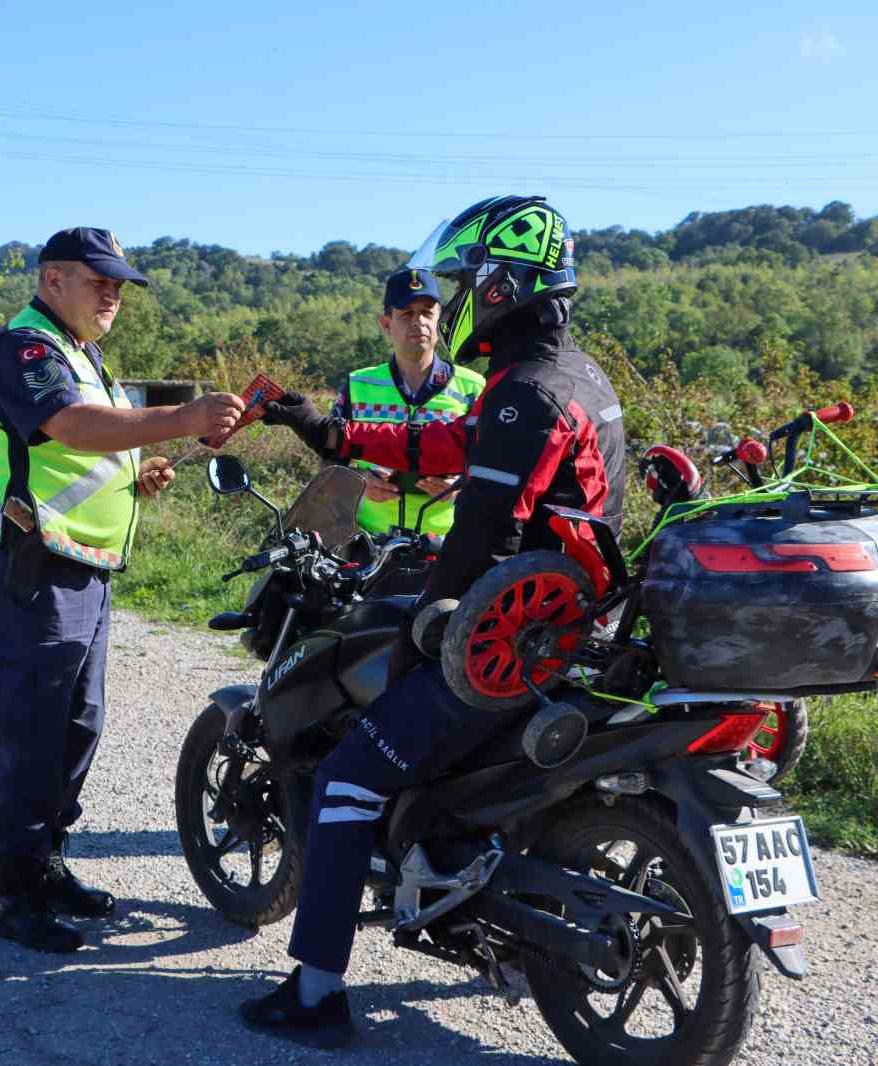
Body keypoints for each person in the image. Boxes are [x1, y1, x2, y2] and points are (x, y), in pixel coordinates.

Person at [242, 196, 626, 1046]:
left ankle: (313, 994)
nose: (452, 302)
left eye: (460, 283)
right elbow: (439, 447)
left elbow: (480, 535)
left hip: (510, 642)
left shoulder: (524, 392)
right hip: (573, 632)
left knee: (347, 775)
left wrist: (428, 622)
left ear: (499, 284)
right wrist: (319, 425)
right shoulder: (574, 377)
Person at [0, 227, 244, 953]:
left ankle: (49, 866)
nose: (113, 295)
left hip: (81, 568)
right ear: (53, 279)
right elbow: (67, 424)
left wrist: (134, 475)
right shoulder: (23, 348)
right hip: (30, 569)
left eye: (119, 285)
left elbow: (86, 449)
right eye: (99, 281)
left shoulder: (83, 355)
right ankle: (14, 896)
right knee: (30, 731)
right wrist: (182, 417)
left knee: (75, 729)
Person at [331, 267, 484, 536]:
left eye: (427, 312)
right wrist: (361, 483)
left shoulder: (473, 387)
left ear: (440, 320)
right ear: (386, 323)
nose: (419, 322)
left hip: (447, 543)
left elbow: (494, 465)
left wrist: (460, 485)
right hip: (369, 541)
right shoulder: (357, 385)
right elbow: (330, 464)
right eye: (407, 313)